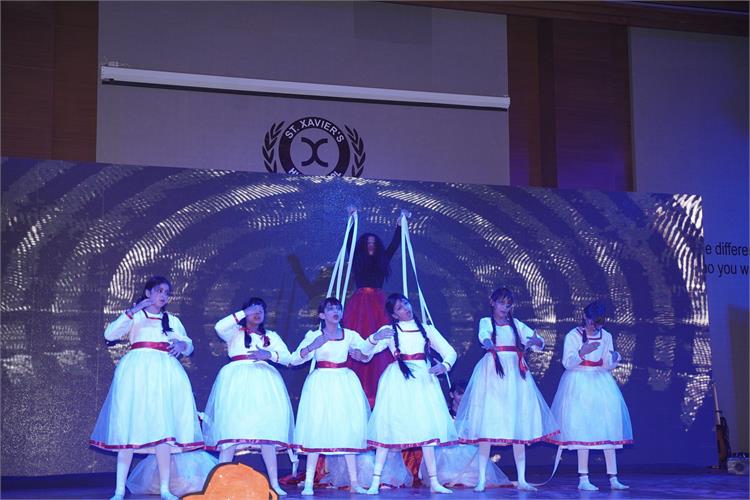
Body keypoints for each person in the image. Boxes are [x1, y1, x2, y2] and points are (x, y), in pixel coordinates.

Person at [89, 276, 203, 500]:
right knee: (129, 427)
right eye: (159, 291)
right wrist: (132, 310)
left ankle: (165, 489)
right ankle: (119, 490)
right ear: (148, 292)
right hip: (137, 373)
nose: (163, 296)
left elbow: (188, 345)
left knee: (164, 429)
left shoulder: (172, 320)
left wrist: (182, 345)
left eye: (167, 293)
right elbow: (109, 334)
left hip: (165, 374)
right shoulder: (136, 316)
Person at [455, 287, 558, 492]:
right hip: (493, 373)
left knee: (517, 424)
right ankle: (481, 479)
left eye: (508, 304)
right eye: (501, 303)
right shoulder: (486, 322)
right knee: (488, 423)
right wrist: (488, 343)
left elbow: (537, 341)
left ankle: (522, 479)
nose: (505, 307)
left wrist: (536, 341)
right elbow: (484, 336)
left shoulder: (516, 324)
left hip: (515, 376)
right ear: (492, 302)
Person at [364, 293, 457, 494]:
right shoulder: (389, 331)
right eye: (399, 308)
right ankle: (375, 482)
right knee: (388, 427)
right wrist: (373, 339)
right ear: (394, 314)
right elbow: (365, 354)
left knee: (427, 429)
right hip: (398, 382)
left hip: (423, 381)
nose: (405, 308)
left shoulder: (427, 329)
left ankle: (434, 482)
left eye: (405, 303)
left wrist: (445, 365)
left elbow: (450, 352)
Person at [202, 297, 293, 496]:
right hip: (236, 383)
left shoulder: (270, 336)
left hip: (264, 384)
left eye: (261, 310)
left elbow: (288, 358)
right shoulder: (234, 332)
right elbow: (219, 326)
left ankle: (274, 483)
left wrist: (269, 355)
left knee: (267, 434)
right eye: (253, 310)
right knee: (230, 433)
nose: (257, 314)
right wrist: (244, 313)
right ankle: (218, 483)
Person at [289, 297, 372, 495]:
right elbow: (294, 359)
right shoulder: (314, 335)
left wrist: (362, 354)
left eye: (338, 308)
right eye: (330, 309)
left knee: (347, 430)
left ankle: (354, 483)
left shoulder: (350, 335)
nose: (335, 312)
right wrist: (312, 346)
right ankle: (308, 483)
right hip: (321, 384)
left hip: (344, 383)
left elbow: (366, 353)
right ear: (322, 315)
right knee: (316, 428)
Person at [550, 300, 632, 491]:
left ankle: (613, 478)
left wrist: (613, 359)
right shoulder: (573, 335)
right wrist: (582, 352)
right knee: (582, 429)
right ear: (585, 318)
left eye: (598, 323)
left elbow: (606, 363)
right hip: (579, 381)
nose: (594, 326)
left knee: (608, 427)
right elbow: (567, 363)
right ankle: (583, 478)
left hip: (600, 382)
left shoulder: (606, 336)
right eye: (591, 322)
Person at [342, 207, 403, 408]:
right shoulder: (357, 259)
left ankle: (379, 390)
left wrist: (399, 225)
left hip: (377, 302)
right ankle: (356, 388)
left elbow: (394, 245)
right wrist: (352, 220)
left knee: (381, 338)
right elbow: (349, 243)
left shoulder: (382, 259)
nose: (370, 245)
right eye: (367, 243)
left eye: (373, 243)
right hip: (360, 303)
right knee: (359, 334)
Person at [419, 382, 512, 488]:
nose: (463, 397)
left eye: (465, 394)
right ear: (452, 395)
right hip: (448, 450)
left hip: (468, 449)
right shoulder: (444, 414)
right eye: (459, 394)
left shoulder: (473, 414)